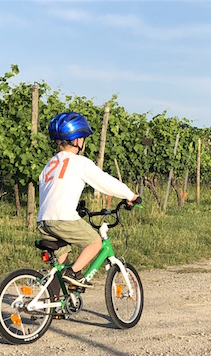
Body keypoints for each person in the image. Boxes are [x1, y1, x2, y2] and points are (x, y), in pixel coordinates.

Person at [37, 111, 139, 288]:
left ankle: (54, 305)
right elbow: (105, 182)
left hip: (44, 220)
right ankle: (74, 273)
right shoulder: (79, 162)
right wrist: (130, 195)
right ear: (76, 140)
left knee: (59, 268)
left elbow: (54, 191)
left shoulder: (50, 164)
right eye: (83, 137)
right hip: (63, 219)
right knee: (95, 242)